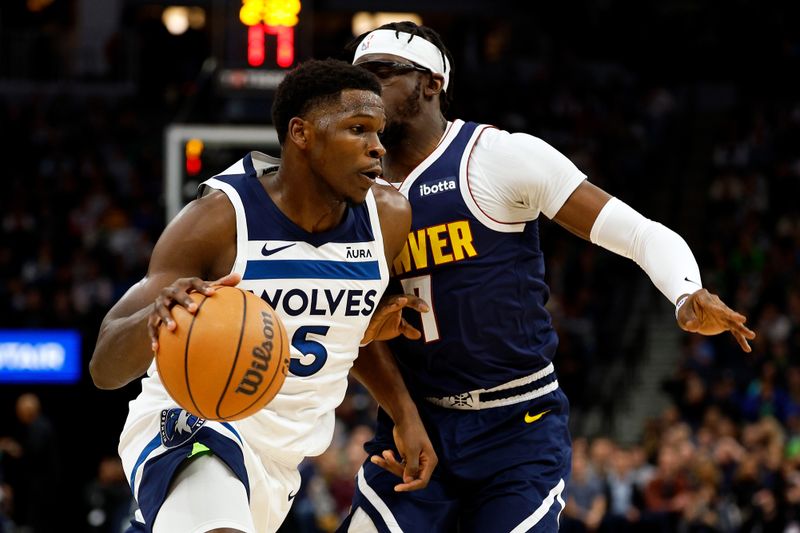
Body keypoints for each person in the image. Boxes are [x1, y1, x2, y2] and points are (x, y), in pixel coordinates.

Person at [338, 22, 757, 532]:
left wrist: (685, 292)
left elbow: (640, 234)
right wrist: (403, 415)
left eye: (380, 73)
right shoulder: (349, 186)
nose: (365, 89)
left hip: (516, 428)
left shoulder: (497, 158)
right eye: (358, 77)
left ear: (431, 84)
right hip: (415, 420)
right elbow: (350, 322)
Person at [89, 58, 437, 533]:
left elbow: (350, 338)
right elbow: (104, 369)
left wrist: (404, 414)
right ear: (302, 133)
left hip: (285, 455)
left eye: (378, 132)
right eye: (358, 129)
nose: (377, 148)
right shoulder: (219, 220)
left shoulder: (389, 216)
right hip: (194, 427)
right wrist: (157, 311)